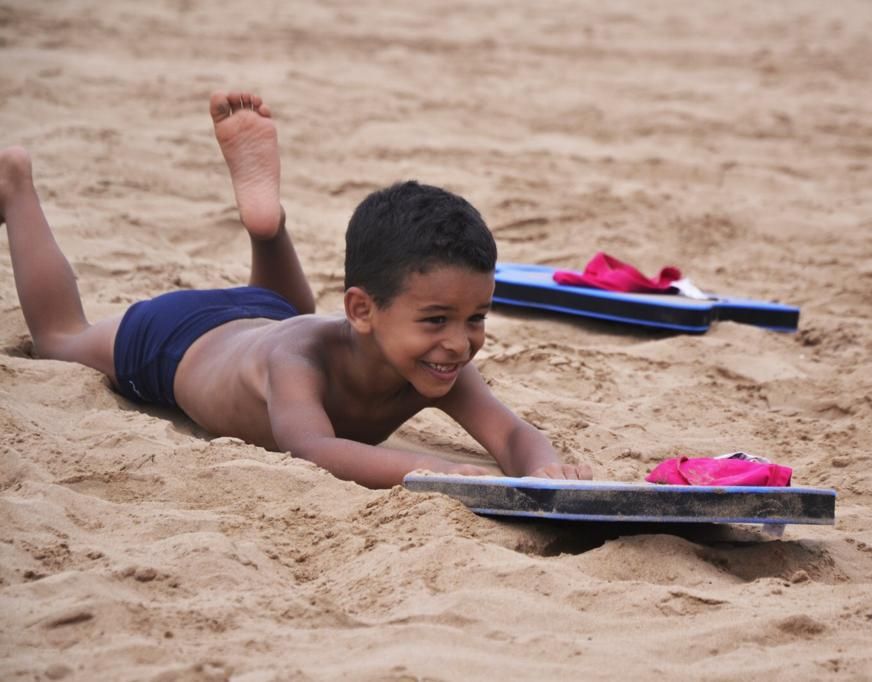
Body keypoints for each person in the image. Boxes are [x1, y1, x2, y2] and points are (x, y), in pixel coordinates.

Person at [0, 91, 592, 489]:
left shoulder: (437, 361)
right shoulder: (297, 361)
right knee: (59, 337)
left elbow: (510, 433)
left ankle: (266, 228)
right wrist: (439, 470)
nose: (460, 344)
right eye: (437, 320)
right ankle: (15, 185)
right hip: (178, 341)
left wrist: (544, 471)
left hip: (267, 314)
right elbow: (314, 448)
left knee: (288, 311)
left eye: (477, 318)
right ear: (362, 309)